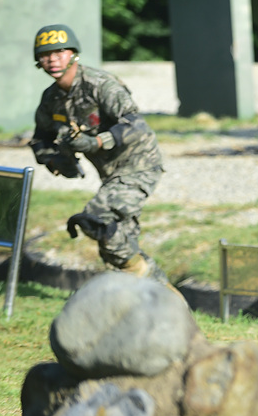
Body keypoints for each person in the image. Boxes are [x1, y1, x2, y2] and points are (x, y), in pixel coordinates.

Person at [29, 24, 170, 285]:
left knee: (98, 216)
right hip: (110, 175)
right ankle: (160, 294)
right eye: (45, 54)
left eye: (59, 52)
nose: (52, 59)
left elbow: (134, 123)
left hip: (138, 164)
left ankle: (144, 279)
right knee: (115, 244)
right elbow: (40, 139)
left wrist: (96, 142)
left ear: (73, 54)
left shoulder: (100, 84)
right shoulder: (51, 99)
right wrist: (56, 161)